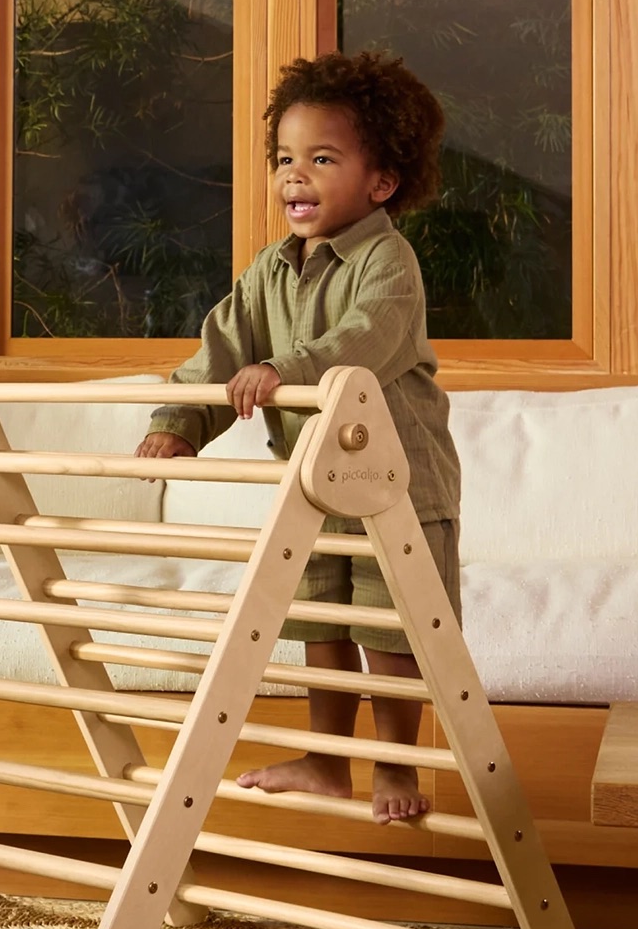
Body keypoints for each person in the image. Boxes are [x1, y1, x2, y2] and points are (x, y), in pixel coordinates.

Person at [135, 49, 460, 823]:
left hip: (396, 484)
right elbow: (221, 346)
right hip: (314, 486)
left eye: (322, 158)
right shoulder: (268, 271)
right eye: (285, 158)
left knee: (388, 626)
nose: (295, 176)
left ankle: (393, 764)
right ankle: (324, 759)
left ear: (380, 182)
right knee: (319, 621)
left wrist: (284, 369)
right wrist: (179, 422)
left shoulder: (389, 260)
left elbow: (365, 343)